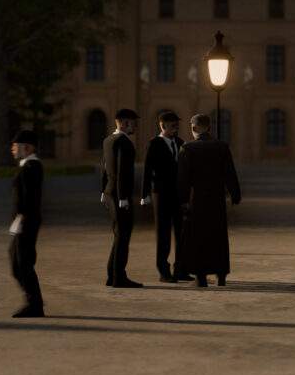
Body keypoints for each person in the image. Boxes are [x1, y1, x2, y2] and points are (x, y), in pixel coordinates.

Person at [176, 114, 241, 287]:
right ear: (209, 128)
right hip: (217, 199)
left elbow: (183, 179)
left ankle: (201, 277)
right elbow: (230, 173)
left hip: (197, 200)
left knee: (199, 237)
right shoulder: (222, 147)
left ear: (194, 128)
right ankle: (221, 276)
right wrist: (235, 195)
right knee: (218, 236)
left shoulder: (188, 148)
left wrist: (182, 201)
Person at [141, 111, 190, 283]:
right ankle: (164, 271)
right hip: (161, 194)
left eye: (177, 124)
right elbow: (147, 169)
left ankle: (181, 269)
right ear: (162, 126)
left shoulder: (181, 142)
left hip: (178, 194)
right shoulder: (154, 144)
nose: (176, 127)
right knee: (163, 233)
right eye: (172, 124)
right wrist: (144, 194)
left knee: (181, 232)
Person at [102, 108, 142, 288]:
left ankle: (112, 275)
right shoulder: (125, 143)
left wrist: (103, 190)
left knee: (118, 235)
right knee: (123, 236)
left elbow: (105, 167)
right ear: (125, 123)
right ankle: (119, 277)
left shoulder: (108, 140)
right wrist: (124, 197)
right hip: (120, 196)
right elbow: (122, 171)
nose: (135, 126)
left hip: (111, 193)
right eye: (133, 122)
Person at [8, 130, 44, 318]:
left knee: (23, 262)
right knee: (17, 261)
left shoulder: (32, 167)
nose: (12, 149)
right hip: (22, 221)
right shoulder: (27, 166)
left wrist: (21, 219)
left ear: (28, 147)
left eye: (16, 146)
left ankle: (34, 304)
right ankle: (33, 301)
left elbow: (30, 198)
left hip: (26, 221)